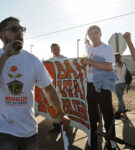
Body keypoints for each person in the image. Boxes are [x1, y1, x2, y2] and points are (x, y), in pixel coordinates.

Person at [0, 16, 70, 150]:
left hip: (30, 132)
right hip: (4, 131)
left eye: (22, 29)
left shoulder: (32, 60)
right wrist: (6, 56)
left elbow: (48, 88)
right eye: (14, 29)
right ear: (1, 35)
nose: (20, 32)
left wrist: (60, 113)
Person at [84, 25, 116, 150]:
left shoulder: (107, 48)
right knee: (91, 116)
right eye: (91, 33)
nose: (93, 35)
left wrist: (91, 62)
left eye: (96, 33)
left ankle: (111, 144)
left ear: (100, 34)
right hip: (90, 85)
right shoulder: (90, 48)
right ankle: (92, 143)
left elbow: (108, 66)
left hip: (103, 85)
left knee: (108, 116)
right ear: (89, 36)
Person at [49, 43, 67, 132]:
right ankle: (56, 126)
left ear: (60, 49)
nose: (56, 50)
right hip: (53, 87)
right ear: (51, 50)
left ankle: (66, 125)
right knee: (54, 106)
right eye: (54, 49)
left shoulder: (65, 59)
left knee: (64, 106)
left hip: (63, 87)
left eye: (57, 48)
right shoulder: (49, 61)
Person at [114, 53, 129, 119]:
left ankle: (124, 113)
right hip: (123, 83)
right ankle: (119, 111)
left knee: (120, 99)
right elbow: (125, 74)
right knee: (120, 98)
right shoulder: (124, 65)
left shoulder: (114, 65)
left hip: (117, 83)